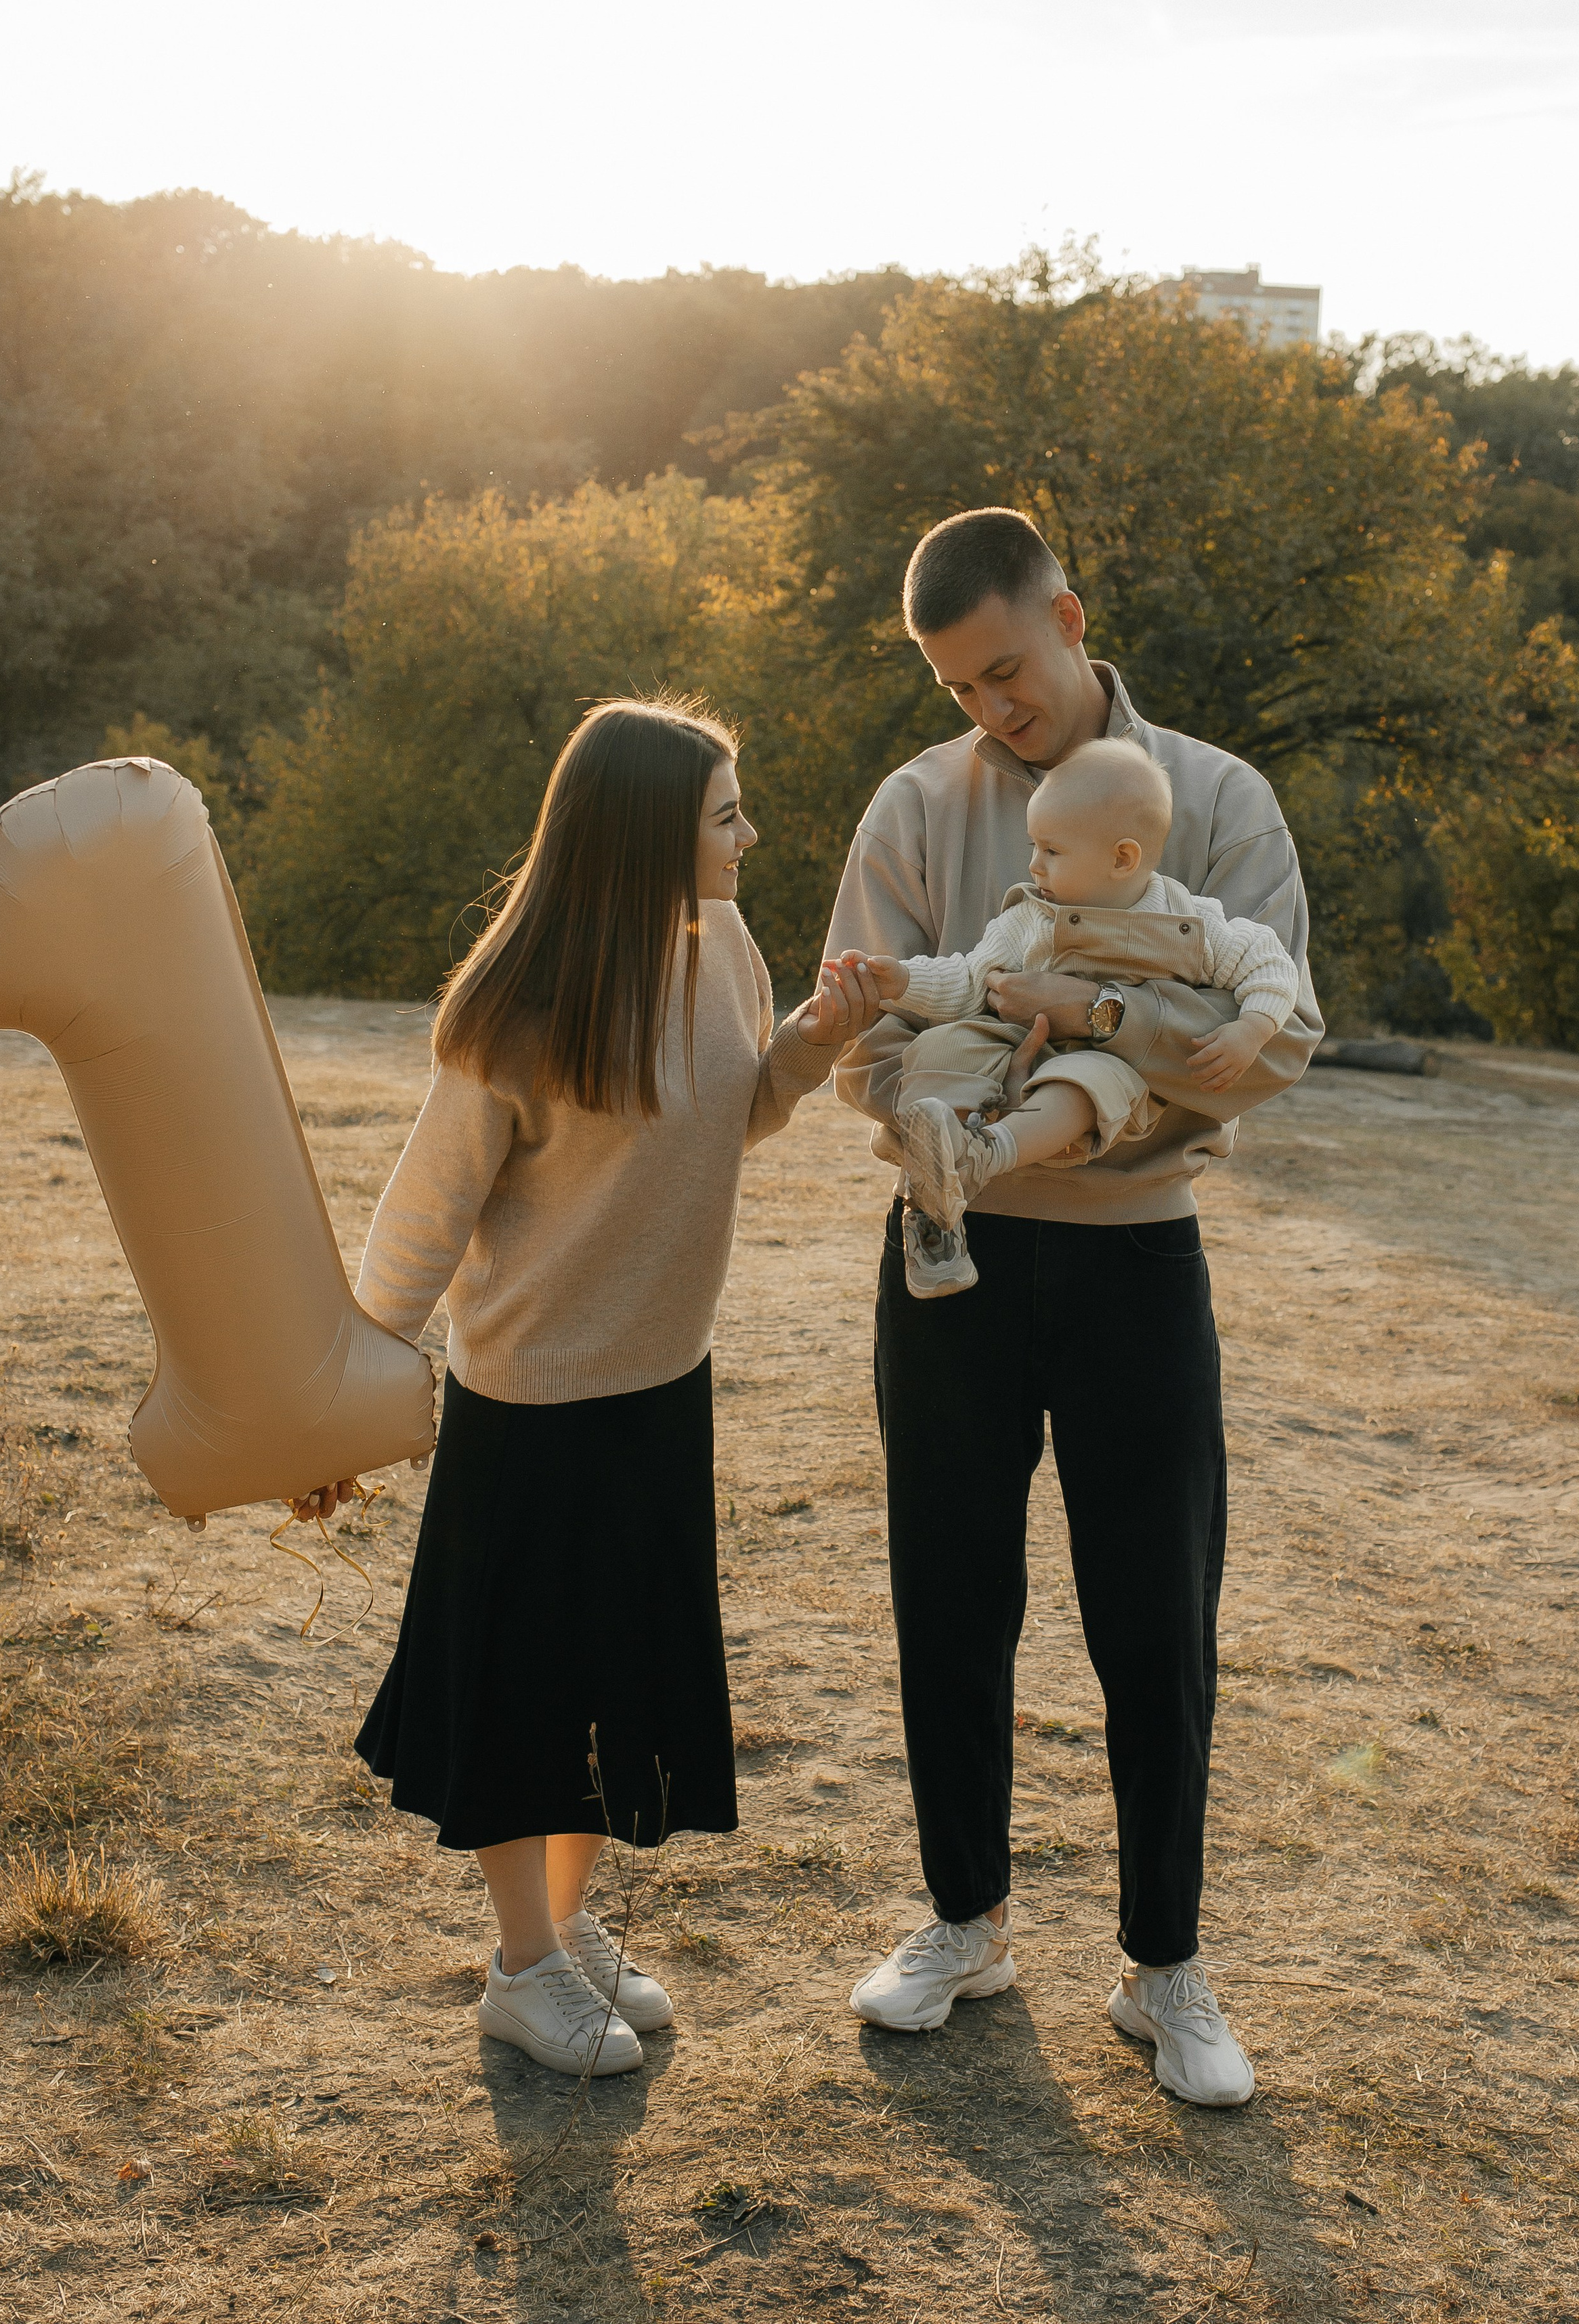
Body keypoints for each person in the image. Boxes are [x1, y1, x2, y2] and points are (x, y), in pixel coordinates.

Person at [293, 697, 878, 2080]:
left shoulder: (722, 944)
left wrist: (814, 1035)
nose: (751, 832)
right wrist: (342, 1402)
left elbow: (734, 1112)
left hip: (661, 1386)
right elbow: (418, 1228)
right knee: (523, 1699)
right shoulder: (518, 1013)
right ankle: (520, 1972)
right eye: (726, 813)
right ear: (643, 838)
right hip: (530, 1411)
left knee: (613, 1680)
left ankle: (560, 1938)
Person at [825, 508, 1322, 2108]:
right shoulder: (912, 804)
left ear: (1066, 614)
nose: (991, 709)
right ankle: (962, 1919)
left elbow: (1254, 1043)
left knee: (1152, 1619)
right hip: (945, 1252)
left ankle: (1162, 1966)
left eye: (1005, 670)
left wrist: (1086, 1027)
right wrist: (945, 1113)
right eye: (960, 687)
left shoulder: (1219, 799)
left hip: (1131, 1257)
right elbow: (869, 1036)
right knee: (947, 1602)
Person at [844, 737, 1299, 1296]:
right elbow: (968, 981)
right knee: (943, 1049)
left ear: (1122, 858)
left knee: (1082, 1084)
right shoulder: (1030, 919)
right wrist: (905, 981)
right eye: (1034, 847)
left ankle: (990, 1152)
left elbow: (1271, 966)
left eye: (1051, 851)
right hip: (1009, 1038)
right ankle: (936, 1192)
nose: (1033, 864)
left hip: (1105, 1059)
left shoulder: (1188, 922)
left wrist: (1251, 1028)